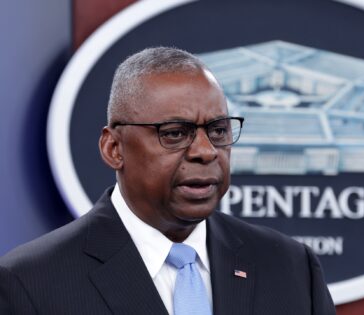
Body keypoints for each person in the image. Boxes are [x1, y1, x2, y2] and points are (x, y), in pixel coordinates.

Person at [0, 47, 336, 314]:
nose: (206, 151)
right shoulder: (29, 282)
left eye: (218, 131)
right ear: (114, 148)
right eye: (175, 133)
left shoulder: (291, 269)